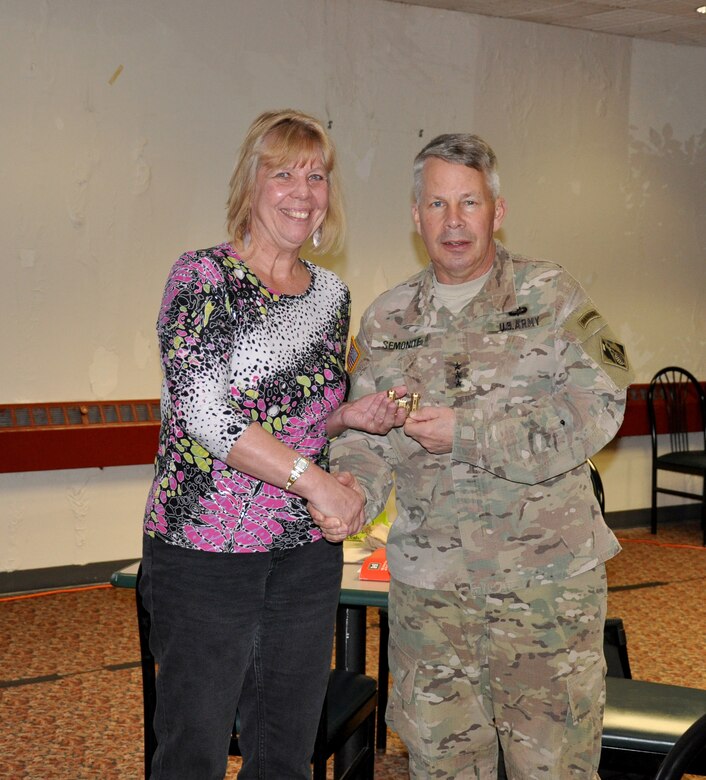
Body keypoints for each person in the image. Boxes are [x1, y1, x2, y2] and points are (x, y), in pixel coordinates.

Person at [328, 134, 633, 779]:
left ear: (498, 209)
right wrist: (351, 490)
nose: (454, 220)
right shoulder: (386, 319)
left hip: (544, 594)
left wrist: (470, 432)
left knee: (552, 769)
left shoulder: (554, 295)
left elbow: (604, 402)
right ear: (417, 217)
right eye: (437, 204)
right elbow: (366, 436)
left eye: (469, 201)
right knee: (442, 769)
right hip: (432, 603)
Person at [140, 109, 406, 779]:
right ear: (249, 185)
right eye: (282, 171)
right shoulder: (202, 278)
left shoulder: (332, 295)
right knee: (192, 752)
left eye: (316, 175)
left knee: (287, 753)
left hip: (302, 556)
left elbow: (301, 417)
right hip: (206, 553)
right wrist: (317, 483)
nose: (302, 189)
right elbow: (205, 413)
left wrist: (350, 418)